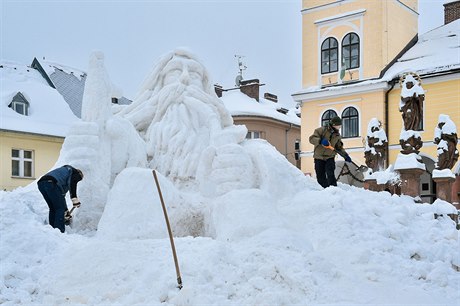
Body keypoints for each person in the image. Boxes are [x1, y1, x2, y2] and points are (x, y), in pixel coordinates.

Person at [37, 165, 83, 232]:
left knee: (53, 208)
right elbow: (72, 184)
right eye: (78, 180)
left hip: (41, 184)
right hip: (51, 182)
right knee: (59, 209)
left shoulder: (64, 174)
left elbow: (60, 197)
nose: (77, 181)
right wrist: (74, 199)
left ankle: (51, 230)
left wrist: (66, 210)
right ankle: (59, 231)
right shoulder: (74, 172)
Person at [309, 116, 351, 188]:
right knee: (320, 175)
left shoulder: (337, 135)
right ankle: (324, 191)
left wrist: (345, 155)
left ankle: (333, 190)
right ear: (334, 125)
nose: (340, 127)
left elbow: (339, 148)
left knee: (330, 173)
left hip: (330, 157)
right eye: (339, 125)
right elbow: (311, 139)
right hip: (319, 157)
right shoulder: (321, 130)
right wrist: (320, 141)